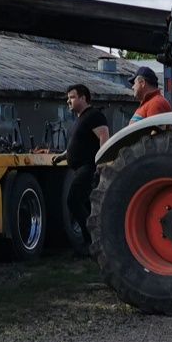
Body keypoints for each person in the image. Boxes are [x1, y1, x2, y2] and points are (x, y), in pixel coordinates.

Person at [63, 83, 110, 252]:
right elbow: (78, 144)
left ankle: (90, 241)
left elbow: (104, 135)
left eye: (72, 97)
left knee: (73, 201)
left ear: (84, 98)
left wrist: (102, 163)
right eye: (68, 98)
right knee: (87, 206)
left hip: (89, 167)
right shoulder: (80, 119)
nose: (69, 101)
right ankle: (95, 242)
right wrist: (63, 155)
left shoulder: (94, 115)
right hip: (79, 168)